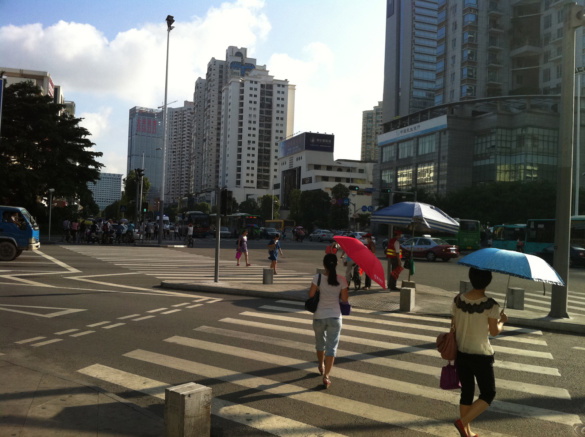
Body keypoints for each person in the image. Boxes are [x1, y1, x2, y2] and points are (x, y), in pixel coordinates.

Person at [452, 268, 508, 437]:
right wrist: (502, 321)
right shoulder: (491, 305)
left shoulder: (458, 300)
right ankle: (462, 423)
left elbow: (454, 325)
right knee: (488, 393)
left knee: (467, 392)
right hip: (481, 355)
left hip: (461, 352)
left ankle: (467, 432)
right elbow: (494, 331)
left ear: (471, 278)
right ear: (487, 282)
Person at [308, 253, 349, 389]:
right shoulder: (342, 280)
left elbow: (311, 295)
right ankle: (326, 376)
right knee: (332, 347)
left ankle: (321, 365)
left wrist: (319, 290)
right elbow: (345, 299)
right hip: (335, 317)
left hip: (319, 316)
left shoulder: (317, 278)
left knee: (320, 344)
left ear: (324, 264)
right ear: (336, 264)